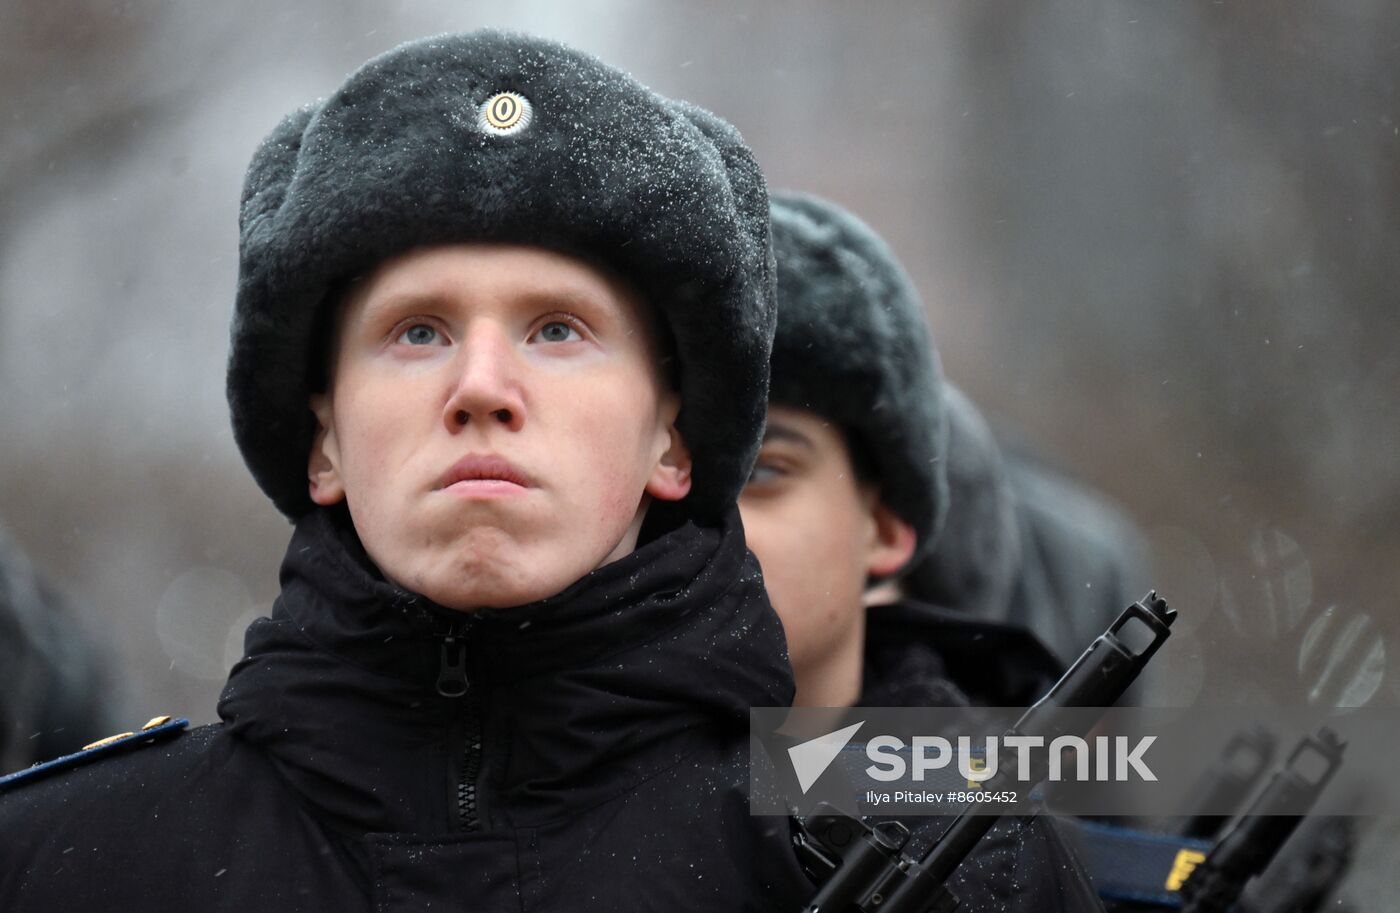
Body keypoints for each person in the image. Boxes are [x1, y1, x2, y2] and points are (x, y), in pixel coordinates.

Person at [0, 31, 807, 910]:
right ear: (324, 443)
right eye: (418, 332)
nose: (482, 387)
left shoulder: (919, 826)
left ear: (675, 438)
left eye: (557, 330)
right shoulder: (69, 861)